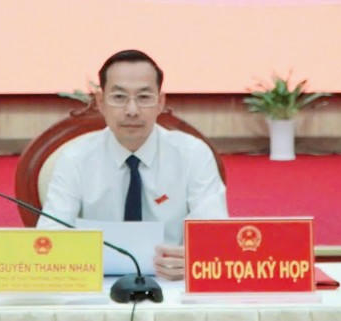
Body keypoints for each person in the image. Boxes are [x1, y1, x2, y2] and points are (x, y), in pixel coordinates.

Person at [39, 49, 228, 280]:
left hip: (174, 282)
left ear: (161, 102)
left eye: (144, 97)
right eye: (119, 97)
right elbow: (51, 235)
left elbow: (216, 234)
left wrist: (194, 258)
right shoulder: (75, 158)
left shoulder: (193, 155)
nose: (132, 111)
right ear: (100, 102)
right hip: (94, 283)